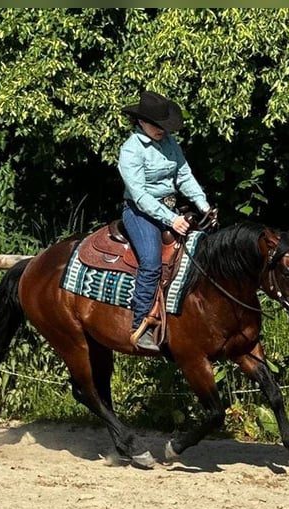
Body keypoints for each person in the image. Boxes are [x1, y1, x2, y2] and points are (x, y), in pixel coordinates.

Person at [118, 90, 213, 351]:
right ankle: (141, 325)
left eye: (164, 125)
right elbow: (139, 195)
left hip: (171, 209)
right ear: (140, 122)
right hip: (140, 213)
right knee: (150, 261)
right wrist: (171, 220)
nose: (162, 130)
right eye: (156, 125)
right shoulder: (131, 151)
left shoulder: (170, 143)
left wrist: (203, 205)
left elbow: (184, 175)